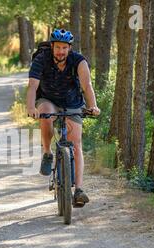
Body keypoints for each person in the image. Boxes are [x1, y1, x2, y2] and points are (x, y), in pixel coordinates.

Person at [26, 28, 100, 207]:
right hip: (48, 98)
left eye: (64, 48)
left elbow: (87, 86)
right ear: (52, 47)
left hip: (72, 102)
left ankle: (79, 190)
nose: (61, 51)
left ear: (69, 48)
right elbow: (32, 86)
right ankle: (47, 152)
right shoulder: (41, 59)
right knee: (45, 113)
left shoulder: (79, 61)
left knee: (76, 143)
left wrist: (93, 106)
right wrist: (30, 107)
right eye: (58, 47)